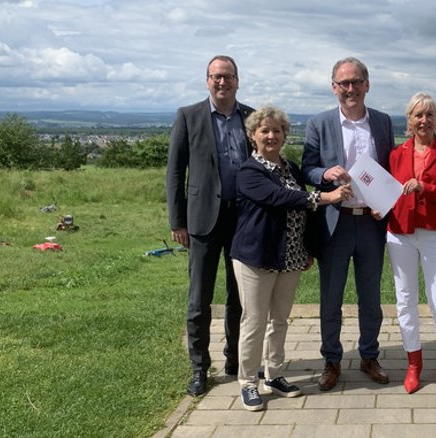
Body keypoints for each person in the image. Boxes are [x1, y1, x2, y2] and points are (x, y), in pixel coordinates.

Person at [231, 106, 353, 411]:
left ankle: (274, 375)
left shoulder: (292, 168)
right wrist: (325, 197)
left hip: (290, 257)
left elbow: (304, 214)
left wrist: (308, 248)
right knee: (255, 321)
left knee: (280, 320)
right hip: (255, 257)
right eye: (264, 131)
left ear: (285, 134)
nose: (271, 136)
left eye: (277, 130)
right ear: (253, 135)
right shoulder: (249, 171)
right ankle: (248, 382)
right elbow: (280, 198)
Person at [301, 57, 395, 390]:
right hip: (334, 223)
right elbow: (306, 169)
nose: (350, 89)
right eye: (343, 84)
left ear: (367, 85)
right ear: (334, 88)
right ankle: (332, 360)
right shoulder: (319, 123)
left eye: (356, 82)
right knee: (331, 297)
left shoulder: (382, 122)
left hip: (370, 223)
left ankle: (370, 355)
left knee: (371, 296)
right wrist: (324, 173)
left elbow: (389, 170)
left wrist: (385, 203)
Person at [166, 55, 253, 396]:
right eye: (216, 76)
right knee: (199, 298)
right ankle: (200, 368)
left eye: (228, 76)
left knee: (241, 296)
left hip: (243, 219)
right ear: (207, 81)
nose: (222, 82)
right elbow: (175, 172)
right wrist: (178, 221)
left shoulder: (250, 116)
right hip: (202, 219)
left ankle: (235, 360)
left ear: (237, 81)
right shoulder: (188, 116)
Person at [387, 92, 436, 393]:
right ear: (409, 120)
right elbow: (390, 193)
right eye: (418, 115)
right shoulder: (396, 154)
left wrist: (425, 187)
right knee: (405, 300)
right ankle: (414, 364)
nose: (424, 120)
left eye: (429, 114)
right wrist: (380, 206)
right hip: (400, 233)